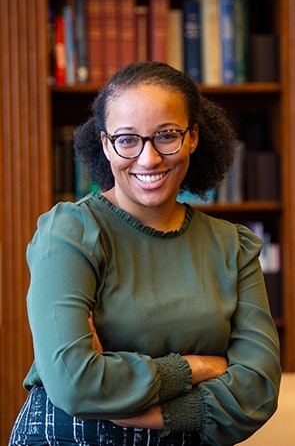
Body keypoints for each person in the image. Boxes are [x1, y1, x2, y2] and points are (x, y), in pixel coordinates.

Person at [9, 61, 281, 446]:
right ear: (105, 144)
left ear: (192, 137)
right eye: (127, 139)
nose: (149, 158)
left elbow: (258, 391)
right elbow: (75, 384)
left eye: (166, 135)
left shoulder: (234, 246)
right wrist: (194, 368)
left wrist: (146, 411)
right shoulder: (69, 232)